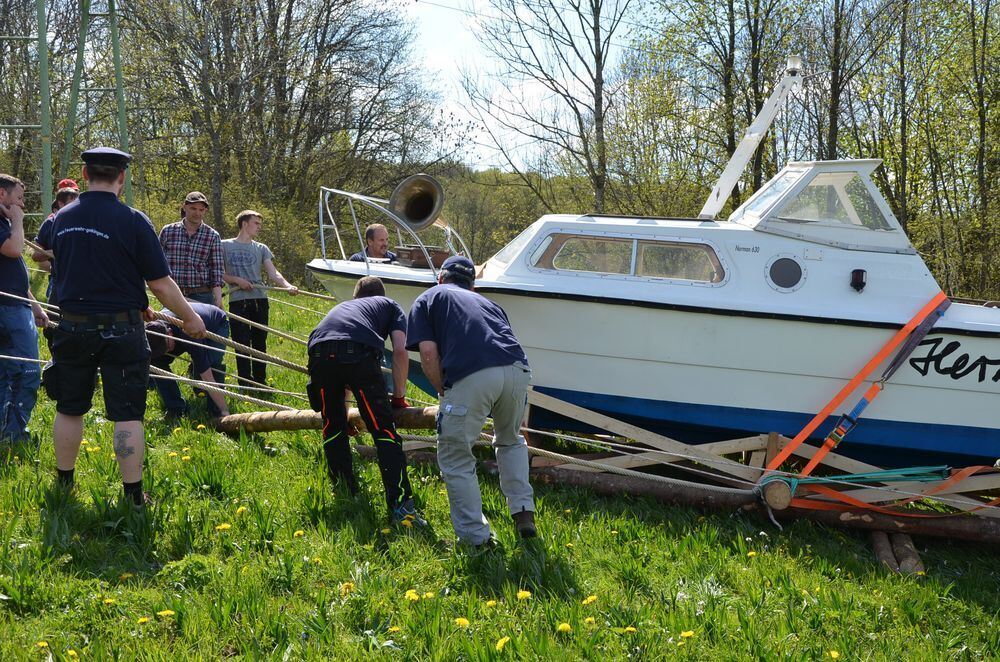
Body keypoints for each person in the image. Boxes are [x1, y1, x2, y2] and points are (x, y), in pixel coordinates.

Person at [44, 147, 206, 507]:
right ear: (122, 177)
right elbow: (160, 282)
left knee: (69, 407)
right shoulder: (134, 221)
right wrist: (191, 318)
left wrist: (137, 302)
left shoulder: (61, 219)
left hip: (72, 326)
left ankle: (64, 485)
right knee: (127, 412)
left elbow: (82, 268)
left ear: (85, 175)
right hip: (122, 329)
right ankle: (133, 495)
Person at [406, 255, 536, 546]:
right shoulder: (491, 304)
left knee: (455, 455)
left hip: (473, 371)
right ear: (473, 286)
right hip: (517, 370)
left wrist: (444, 391)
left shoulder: (430, 297)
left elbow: (428, 354)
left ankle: (476, 539)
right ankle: (523, 512)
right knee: (510, 440)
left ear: (441, 278)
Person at [306, 275, 421, 523]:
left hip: (318, 352)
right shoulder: (390, 305)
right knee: (383, 430)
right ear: (382, 294)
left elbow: (335, 349)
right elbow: (401, 350)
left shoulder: (343, 307)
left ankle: (345, 492)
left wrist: (343, 409)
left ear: (357, 297)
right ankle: (401, 507)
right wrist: (399, 397)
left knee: (332, 426)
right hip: (358, 353)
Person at [222, 209, 298, 386]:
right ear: (244, 223)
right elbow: (218, 272)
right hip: (237, 300)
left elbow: (273, 273)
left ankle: (260, 382)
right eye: (256, 223)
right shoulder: (224, 245)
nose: (259, 227)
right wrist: (236, 280)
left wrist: (287, 286)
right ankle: (244, 383)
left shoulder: (261, 248)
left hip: (259, 300)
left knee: (259, 342)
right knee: (241, 342)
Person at [0, 174, 49, 443]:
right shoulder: (5, 225)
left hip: (16, 305)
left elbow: (13, 273)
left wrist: (35, 305)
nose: (21, 204)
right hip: (7, 311)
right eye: (18, 198)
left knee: (7, 374)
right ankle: (14, 435)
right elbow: (14, 251)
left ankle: (6, 432)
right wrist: (17, 221)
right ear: (1, 195)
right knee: (27, 372)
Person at [146, 302, 230, 420]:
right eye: (160, 350)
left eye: (166, 348)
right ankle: (176, 409)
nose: (165, 352)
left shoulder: (188, 333)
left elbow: (208, 377)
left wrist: (225, 411)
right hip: (180, 333)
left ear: (169, 333)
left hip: (215, 325)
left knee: (211, 364)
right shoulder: (152, 334)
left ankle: (217, 411)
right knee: (157, 364)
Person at [159, 191, 224, 308]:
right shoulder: (168, 231)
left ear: (205, 211)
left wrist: (218, 300)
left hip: (202, 295)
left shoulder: (212, 235)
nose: (197, 213)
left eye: (201, 210)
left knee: (203, 326)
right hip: (174, 293)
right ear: (184, 207)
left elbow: (216, 270)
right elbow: (157, 262)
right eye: (193, 208)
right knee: (169, 325)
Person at [32, 185, 81, 302]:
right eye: (72, 203)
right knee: (54, 318)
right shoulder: (50, 223)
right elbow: (36, 255)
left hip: (84, 281)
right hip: (59, 281)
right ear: (60, 204)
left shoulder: (84, 220)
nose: (76, 207)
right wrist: (56, 252)